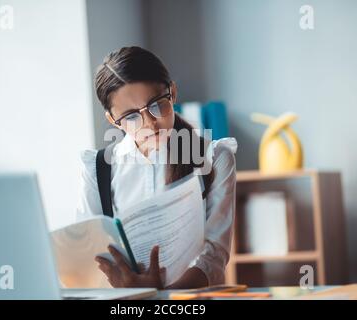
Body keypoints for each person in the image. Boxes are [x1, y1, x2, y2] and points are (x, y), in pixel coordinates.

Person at [76, 46, 237, 289]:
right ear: (113, 120)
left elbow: (213, 257)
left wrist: (158, 296)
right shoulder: (97, 170)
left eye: (156, 104)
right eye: (131, 116)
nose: (150, 124)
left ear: (172, 92)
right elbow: (92, 257)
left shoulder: (214, 158)